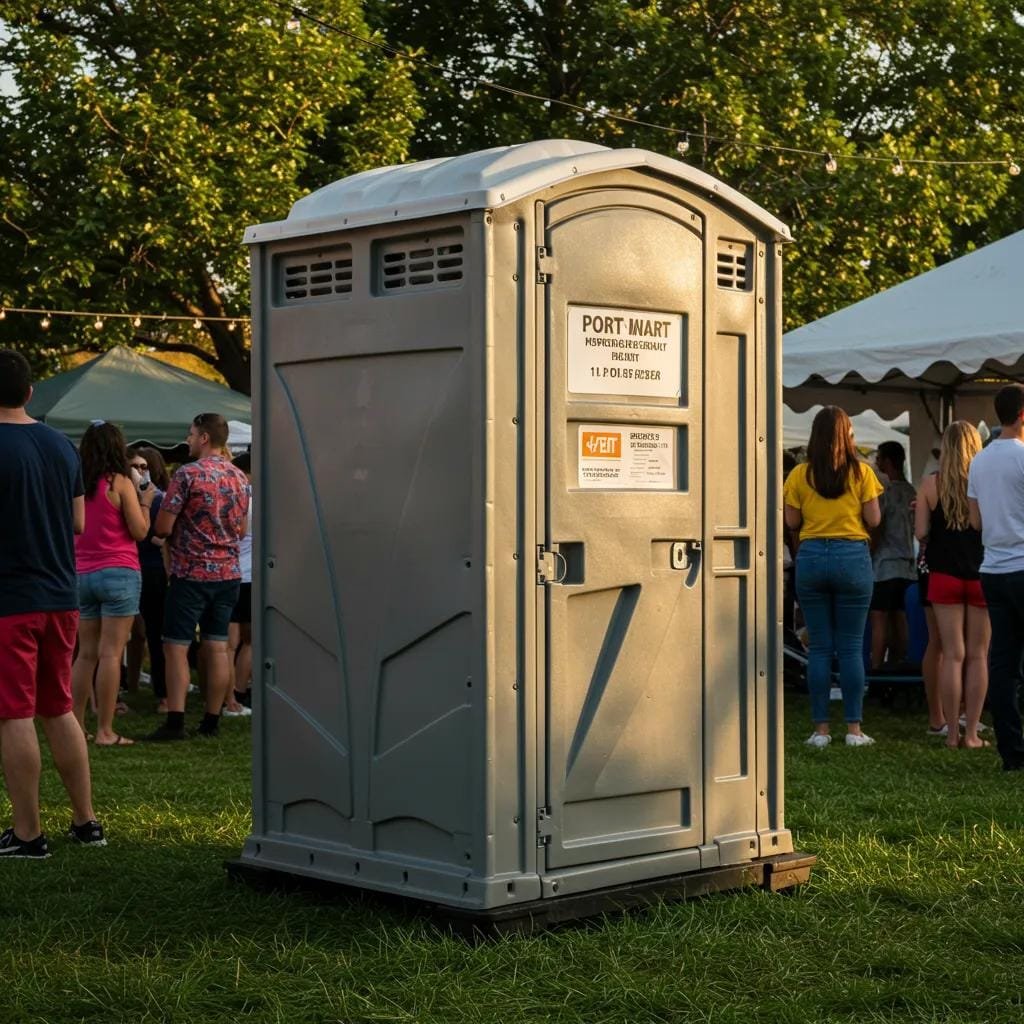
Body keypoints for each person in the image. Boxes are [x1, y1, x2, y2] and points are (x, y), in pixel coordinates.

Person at [0, 349, 105, 857]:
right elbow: (78, 523)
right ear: (29, 392)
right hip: (61, 594)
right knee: (58, 707)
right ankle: (86, 823)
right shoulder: (61, 446)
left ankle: (28, 834)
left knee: (13, 713)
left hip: (11, 599)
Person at [145, 413, 249, 741]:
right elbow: (242, 529)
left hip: (191, 572)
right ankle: (211, 720)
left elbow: (162, 526)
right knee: (218, 646)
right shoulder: (239, 477)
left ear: (204, 437)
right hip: (229, 573)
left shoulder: (187, 475)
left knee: (176, 645)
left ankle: (175, 720)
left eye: (190, 434)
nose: (187, 440)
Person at [784, 406, 883, 748]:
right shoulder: (862, 473)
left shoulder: (799, 474)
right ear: (847, 435)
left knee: (820, 649)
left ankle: (820, 730)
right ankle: (854, 730)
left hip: (812, 558)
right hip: (852, 557)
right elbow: (874, 518)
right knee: (852, 646)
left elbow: (793, 523)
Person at [70, 421, 153, 746]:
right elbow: (139, 531)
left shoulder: (76, 483)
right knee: (110, 654)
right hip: (119, 572)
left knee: (85, 654)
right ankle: (105, 729)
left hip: (81, 574)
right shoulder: (119, 482)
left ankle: (75, 725)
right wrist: (145, 501)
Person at [915, 422, 988, 750]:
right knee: (978, 656)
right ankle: (971, 733)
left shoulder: (930, 484)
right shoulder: (984, 484)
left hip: (943, 576)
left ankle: (951, 734)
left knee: (952, 655)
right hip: (980, 573)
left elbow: (919, 534)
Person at [968, 384, 1024, 771]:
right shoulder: (1023, 457)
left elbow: (975, 521)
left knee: (1003, 663)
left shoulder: (979, 460)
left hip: (993, 568)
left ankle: (1012, 752)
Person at [127, 446, 171, 712]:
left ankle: (163, 694)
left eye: (144, 467)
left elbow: (168, 532)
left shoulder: (158, 499)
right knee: (128, 635)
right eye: (134, 466)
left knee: (154, 633)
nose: (139, 471)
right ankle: (129, 685)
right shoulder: (120, 495)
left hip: (152, 570)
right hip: (128, 569)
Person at [869, 441, 917, 668]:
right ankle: (899, 669)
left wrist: (869, 553)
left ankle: (876, 673)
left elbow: (876, 528)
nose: (877, 464)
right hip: (908, 567)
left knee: (879, 621)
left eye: (878, 459)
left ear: (887, 462)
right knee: (901, 621)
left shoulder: (883, 492)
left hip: (885, 566)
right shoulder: (912, 492)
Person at [224, 451, 253, 717]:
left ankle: (228, 697)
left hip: (230, 573)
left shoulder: (228, 497)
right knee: (251, 642)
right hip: (251, 577)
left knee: (227, 644)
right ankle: (239, 695)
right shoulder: (254, 500)